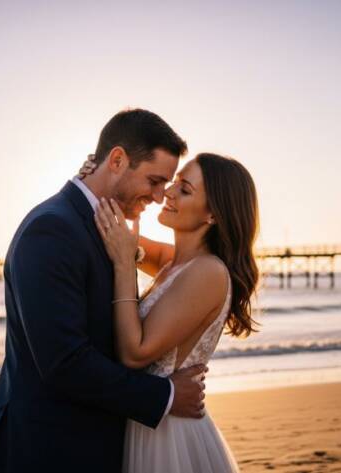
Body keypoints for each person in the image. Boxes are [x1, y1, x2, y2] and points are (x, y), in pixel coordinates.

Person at [0, 109, 209, 473]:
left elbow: (176, 263)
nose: (162, 196)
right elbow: (64, 363)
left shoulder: (108, 226)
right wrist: (166, 396)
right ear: (117, 160)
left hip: (94, 444)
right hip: (50, 451)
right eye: (155, 181)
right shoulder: (52, 230)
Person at [89, 152, 259, 472]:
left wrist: (126, 264)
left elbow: (135, 353)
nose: (167, 191)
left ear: (213, 215)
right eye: (174, 181)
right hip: (148, 419)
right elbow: (126, 238)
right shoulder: (175, 262)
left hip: (167, 435)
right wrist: (102, 174)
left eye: (184, 188)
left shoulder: (208, 272)